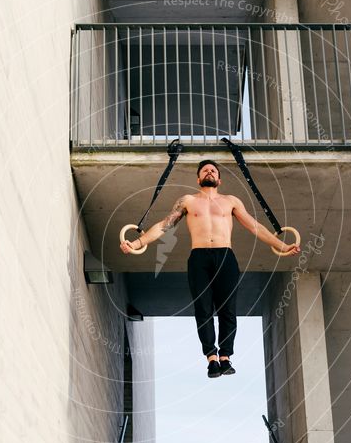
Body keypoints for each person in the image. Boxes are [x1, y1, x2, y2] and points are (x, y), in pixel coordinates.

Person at [121, 160, 300, 378]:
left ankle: (225, 357)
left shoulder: (231, 201)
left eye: (213, 170)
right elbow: (163, 225)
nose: (209, 172)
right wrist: (137, 244)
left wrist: (282, 245)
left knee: (228, 309)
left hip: (225, 255)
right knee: (203, 309)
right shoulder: (188, 201)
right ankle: (211, 358)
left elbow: (255, 226)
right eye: (205, 170)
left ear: (219, 179)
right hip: (199, 257)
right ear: (198, 179)